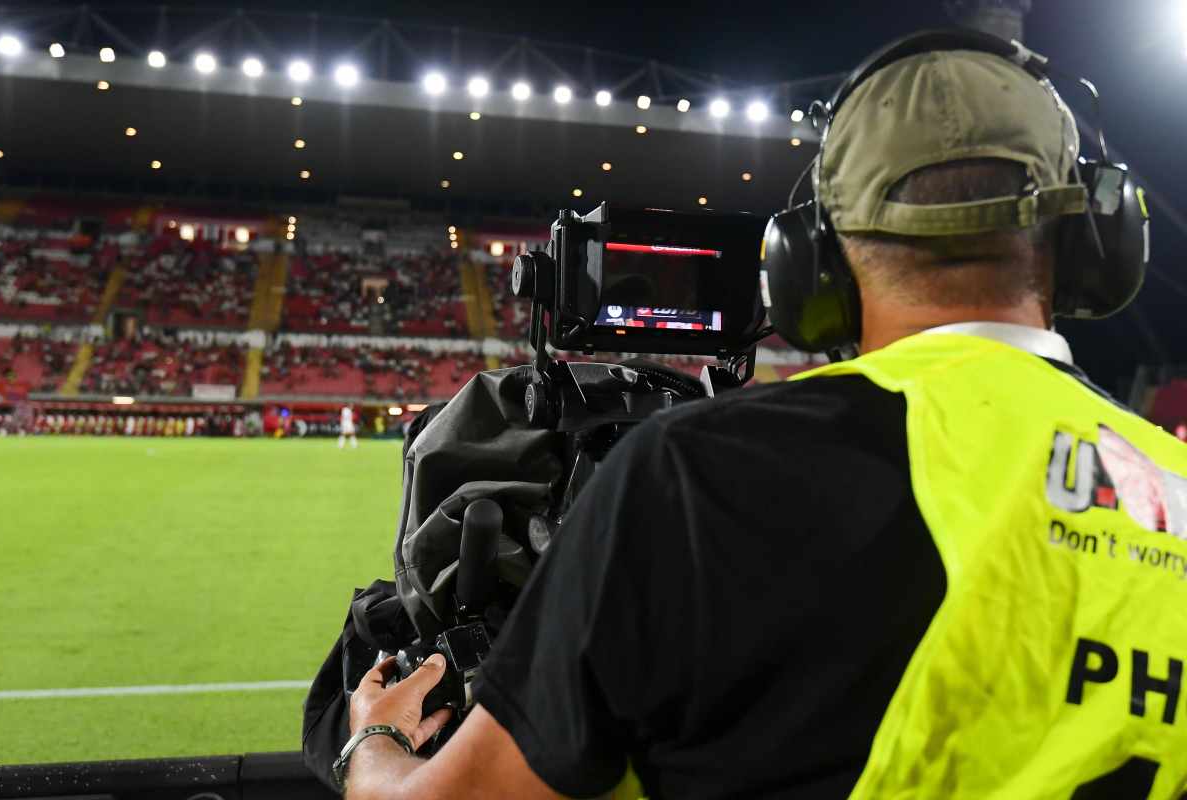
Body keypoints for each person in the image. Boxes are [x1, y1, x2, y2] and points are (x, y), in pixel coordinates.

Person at [342, 36, 1187, 800]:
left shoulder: (694, 476)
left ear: (808, 264)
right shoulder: (1175, 485)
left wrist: (374, 742)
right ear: (1097, 243)